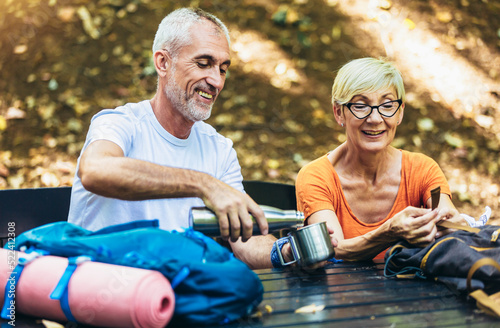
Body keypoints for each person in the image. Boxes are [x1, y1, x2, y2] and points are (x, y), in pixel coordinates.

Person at [67, 7, 270, 267]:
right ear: (163, 63)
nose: (216, 81)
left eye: (223, 69)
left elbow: (245, 239)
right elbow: (95, 170)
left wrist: (289, 252)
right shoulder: (120, 124)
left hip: (174, 295)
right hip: (102, 288)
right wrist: (203, 184)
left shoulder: (219, 149)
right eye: (203, 63)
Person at [294, 57, 467, 261]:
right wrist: (388, 233)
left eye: (387, 105)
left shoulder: (423, 169)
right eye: (360, 106)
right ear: (339, 113)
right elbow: (331, 252)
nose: (375, 119)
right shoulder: (316, 177)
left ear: (399, 113)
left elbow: (448, 221)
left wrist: (450, 227)